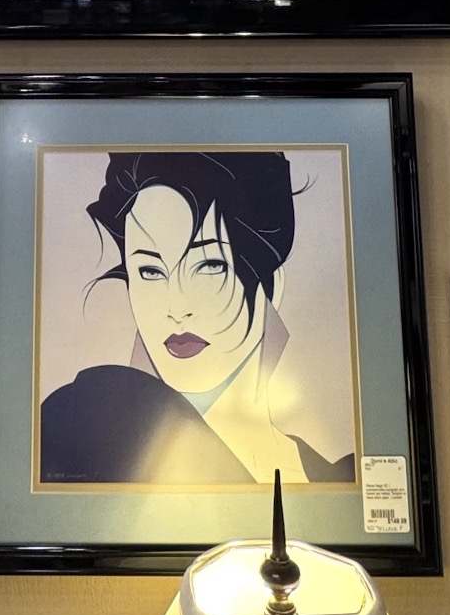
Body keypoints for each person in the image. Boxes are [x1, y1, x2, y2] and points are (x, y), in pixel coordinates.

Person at [40, 150, 355, 485]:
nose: (176, 307)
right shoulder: (86, 418)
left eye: (209, 266)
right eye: (150, 271)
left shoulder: (339, 479)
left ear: (271, 287)